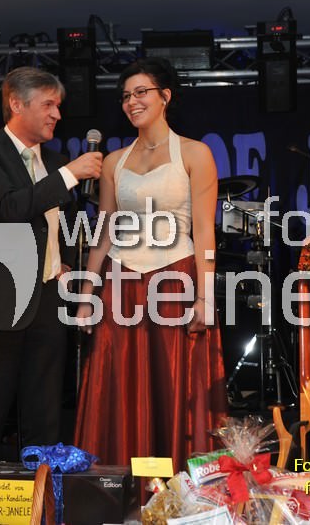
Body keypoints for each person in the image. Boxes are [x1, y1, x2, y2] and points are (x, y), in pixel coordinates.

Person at [74, 58, 227, 472]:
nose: (132, 101)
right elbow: (104, 231)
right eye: (126, 96)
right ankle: (120, 489)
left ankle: (175, 490)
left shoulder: (195, 153)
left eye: (141, 92)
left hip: (175, 281)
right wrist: (87, 295)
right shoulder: (113, 161)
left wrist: (206, 297)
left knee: (173, 386)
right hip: (121, 284)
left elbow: (204, 231)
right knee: (118, 388)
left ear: (165, 96)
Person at [0, 66, 102, 472]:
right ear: (16, 104)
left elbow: (55, 227)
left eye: (59, 106)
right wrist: (70, 174)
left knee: (45, 412)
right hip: (1, 298)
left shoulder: (54, 161)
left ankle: (45, 496)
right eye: (48, 105)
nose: (57, 114)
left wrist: (63, 262)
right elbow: (9, 207)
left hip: (49, 297)